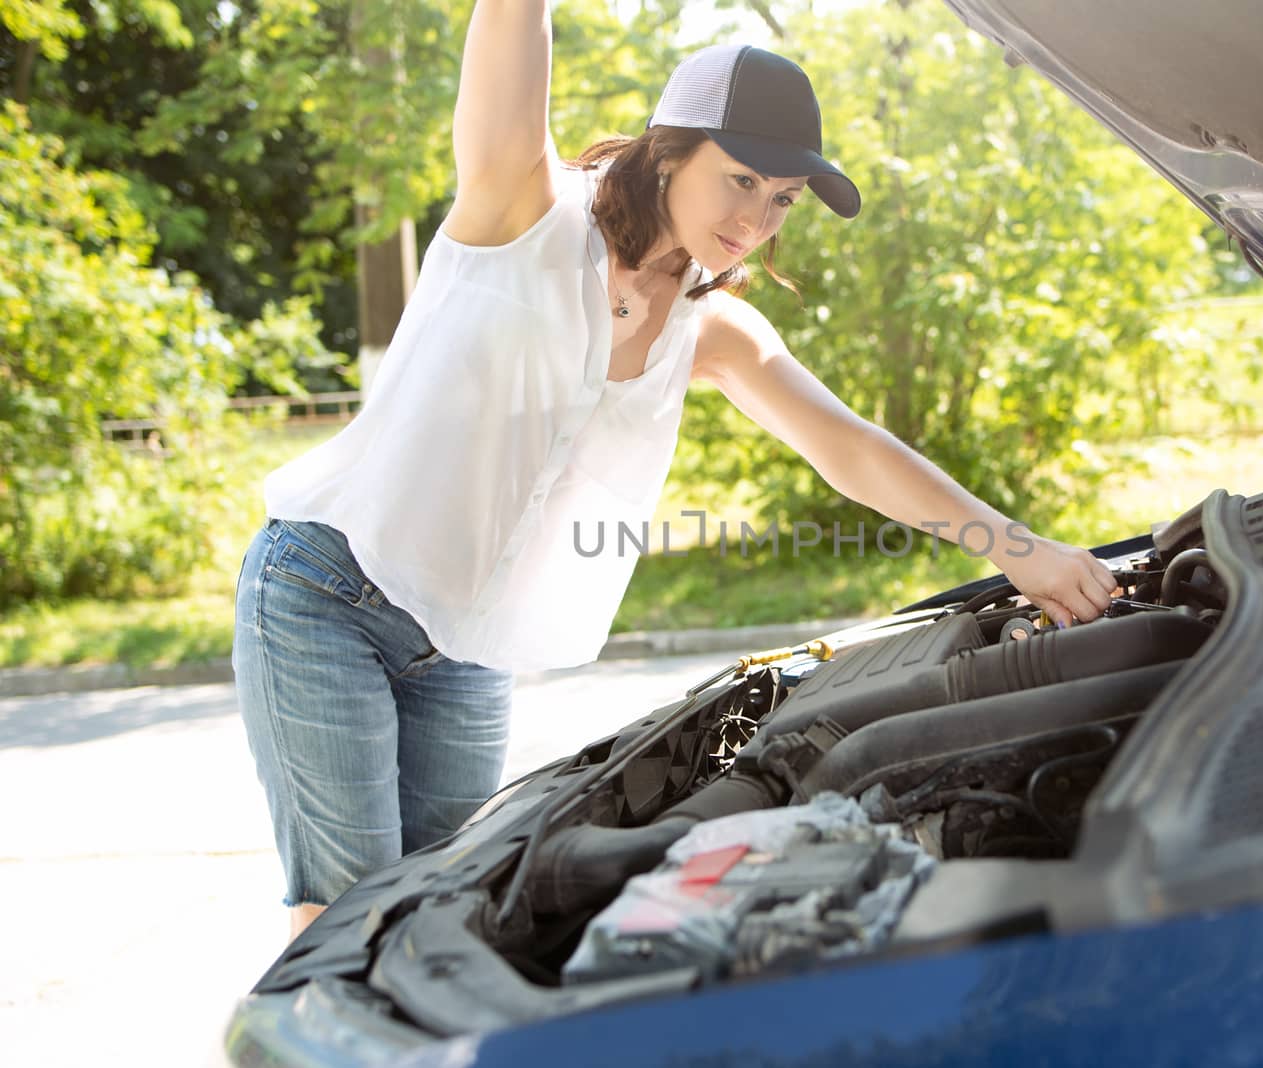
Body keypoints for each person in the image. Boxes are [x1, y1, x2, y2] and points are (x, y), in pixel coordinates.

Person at [234, 2, 1118, 944]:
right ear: (667, 153)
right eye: (740, 178)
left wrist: (1017, 548)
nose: (758, 218)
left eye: (781, 198)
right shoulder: (520, 210)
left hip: (463, 648)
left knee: (428, 927)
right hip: (329, 592)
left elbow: (851, 447)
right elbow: (510, 26)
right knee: (340, 923)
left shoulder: (714, 330)